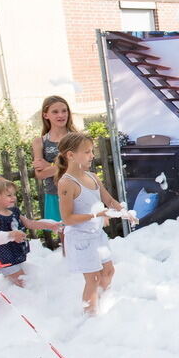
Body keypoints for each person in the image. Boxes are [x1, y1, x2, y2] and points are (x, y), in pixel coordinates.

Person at [56, 132, 134, 314]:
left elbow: (109, 200)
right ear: (71, 155)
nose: (92, 156)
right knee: (94, 279)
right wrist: (95, 215)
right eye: (87, 152)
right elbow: (67, 219)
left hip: (97, 235)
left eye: (91, 151)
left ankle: (102, 306)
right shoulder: (67, 183)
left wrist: (124, 212)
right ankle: (90, 317)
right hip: (80, 238)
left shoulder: (92, 177)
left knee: (109, 272)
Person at [0, 177, 63, 287]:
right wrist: (9, 235)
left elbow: (30, 223)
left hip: (14, 255)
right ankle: (29, 300)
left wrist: (50, 225)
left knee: (17, 282)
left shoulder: (13, 211)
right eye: (9, 195)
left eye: (14, 194)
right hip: (4, 259)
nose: (13, 198)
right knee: (24, 284)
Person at [31, 95, 76, 228]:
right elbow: (40, 174)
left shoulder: (76, 138)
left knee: (83, 234)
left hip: (76, 192)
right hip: (53, 194)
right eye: (55, 112)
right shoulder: (39, 142)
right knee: (62, 235)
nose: (61, 115)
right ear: (45, 115)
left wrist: (49, 166)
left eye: (64, 110)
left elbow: (80, 166)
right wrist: (64, 166)